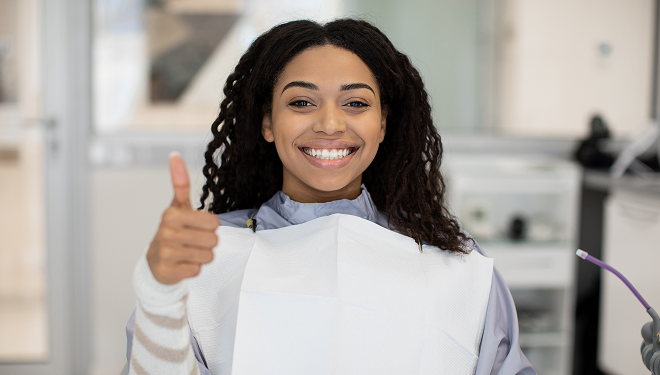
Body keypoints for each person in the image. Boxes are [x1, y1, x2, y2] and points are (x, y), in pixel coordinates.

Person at [125, 18, 536, 375]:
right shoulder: (206, 257)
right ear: (268, 122)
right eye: (301, 102)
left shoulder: (456, 265)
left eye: (355, 103)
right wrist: (160, 292)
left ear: (383, 123)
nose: (330, 123)